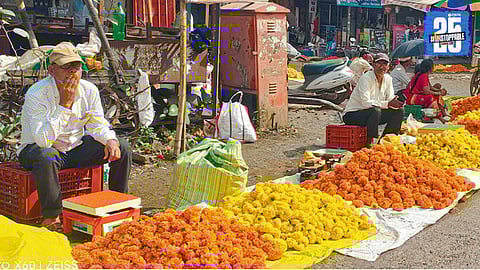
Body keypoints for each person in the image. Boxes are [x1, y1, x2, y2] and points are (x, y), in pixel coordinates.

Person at [17, 42, 132, 231]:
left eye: (76, 67)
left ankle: (119, 203)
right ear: (52, 70)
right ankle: (51, 216)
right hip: (37, 150)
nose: (73, 72)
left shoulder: (89, 90)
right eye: (66, 67)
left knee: (122, 147)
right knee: (47, 155)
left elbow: (97, 124)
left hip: (73, 147)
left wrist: (110, 140)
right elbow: (43, 141)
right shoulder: (37, 94)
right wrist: (65, 104)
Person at [343, 53, 405, 144]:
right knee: (375, 111)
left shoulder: (388, 78)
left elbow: (390, 98)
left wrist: (396, 103)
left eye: (385, 64)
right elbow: (366, 103)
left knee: (399, 111)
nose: (382, 67)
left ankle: (386, 141)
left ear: (388, 66)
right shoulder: (366, 78)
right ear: (373, 65)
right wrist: (388, 104)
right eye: (379, 63)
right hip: (353, 115)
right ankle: (369, 143)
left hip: (372, 115)